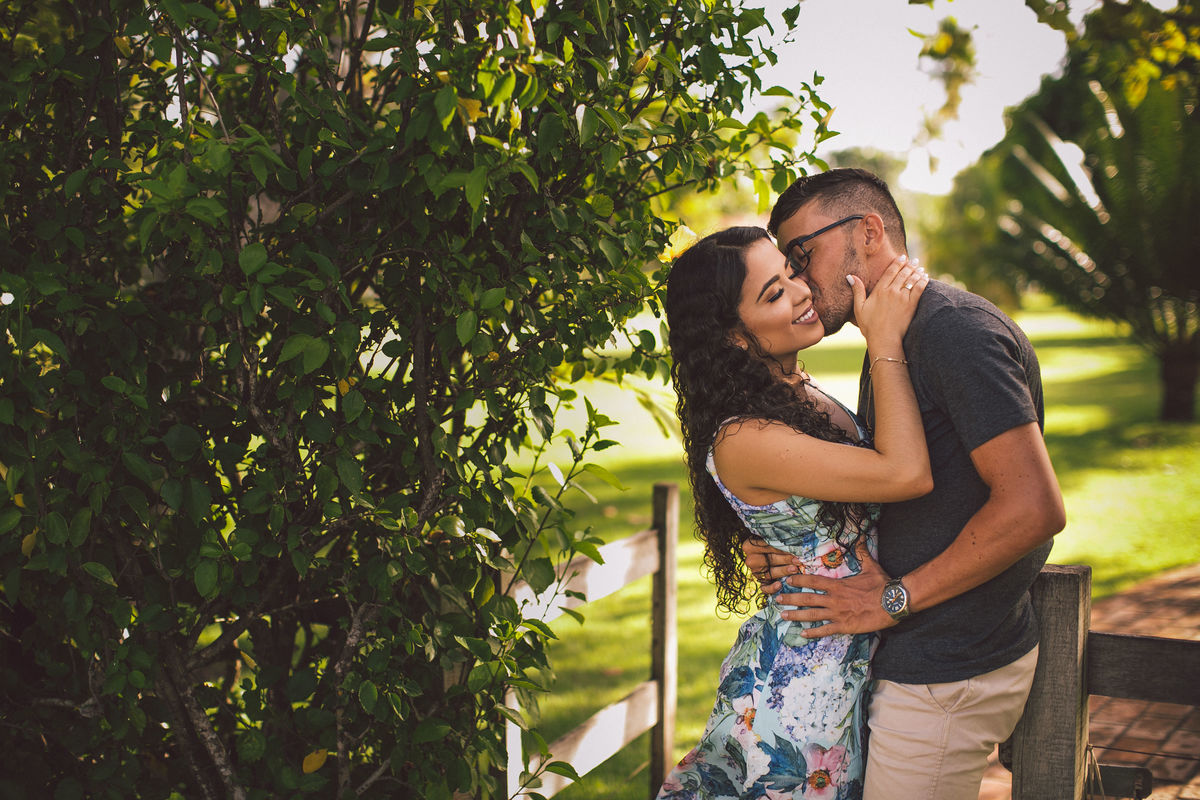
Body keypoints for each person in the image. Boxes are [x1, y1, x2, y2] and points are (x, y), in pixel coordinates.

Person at [744, 168, 1066, 800]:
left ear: (868, 232)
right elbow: (901, 496)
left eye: (803, 254)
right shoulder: (893, 334)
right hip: (915, 663)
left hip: (944, 676)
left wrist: (891, 600)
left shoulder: (952, 330)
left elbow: (1033, 507)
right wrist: (796, 548)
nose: (799, 279)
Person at [656, 224, 932, 800]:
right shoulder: (744, 436)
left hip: (847, 661)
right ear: (734, 338)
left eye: (791, 272)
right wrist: (884, 340)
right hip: (803, 697)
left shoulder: (797, 395)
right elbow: (905, 473)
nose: (803, 291)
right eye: (775, 293)